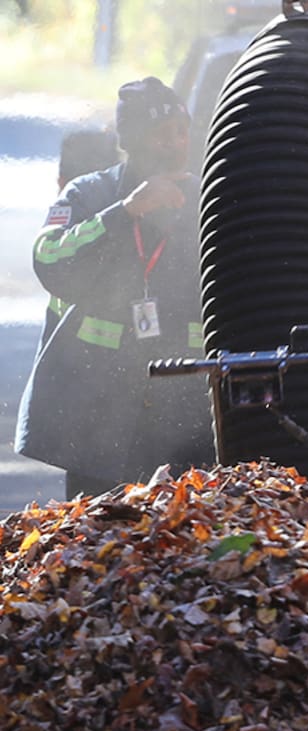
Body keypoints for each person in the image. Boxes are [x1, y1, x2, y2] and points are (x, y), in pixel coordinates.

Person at [15, 77, 214, 498]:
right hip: (99, 418)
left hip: (186, 414)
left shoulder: (208, 200)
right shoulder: (90, 195)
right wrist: (126, 213)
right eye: (163, 136)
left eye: (182, 132)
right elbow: (50, 260)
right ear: (134, 142)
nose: (177, 143)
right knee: (98, 538)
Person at [34, 128, 122, 352]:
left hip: (67, 374)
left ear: (61, 182)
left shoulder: (73, 216)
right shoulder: (132, 217)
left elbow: (47, 255)